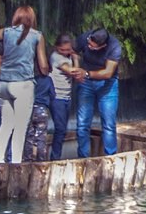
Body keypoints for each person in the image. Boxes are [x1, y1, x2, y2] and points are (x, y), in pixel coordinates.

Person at [0, 5, 48, 165]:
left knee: (6, 124)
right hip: (23, 86)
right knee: (20, 127)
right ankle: (15, 164)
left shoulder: (6, 32)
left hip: (4, 85)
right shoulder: (37, 36)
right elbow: (43, 66)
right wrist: (45, 69)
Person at [72, 27, 122, 157]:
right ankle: (83, 159)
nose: (88, 46)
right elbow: (74, 51)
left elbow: (108, 73)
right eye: (88, 43)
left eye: (92, 47)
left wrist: (87, 73)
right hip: (86, 82)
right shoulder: (86, 36)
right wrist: (77, 67)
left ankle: (110, 158)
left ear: (103, 46)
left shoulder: (114, 47)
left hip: (107, 84)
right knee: (82, 123)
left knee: (108, 123)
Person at [47, 34, 81, 160]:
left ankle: (56, 156)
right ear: (56, 47)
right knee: (60, 129)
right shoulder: (56, 57)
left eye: (68, 49)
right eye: (63, 50)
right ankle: (54, 159)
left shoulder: (67, 57)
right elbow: (73, 72)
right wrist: (76, 58)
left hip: (66, 97)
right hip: (57, 98)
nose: (66, 52)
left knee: (62, 129)